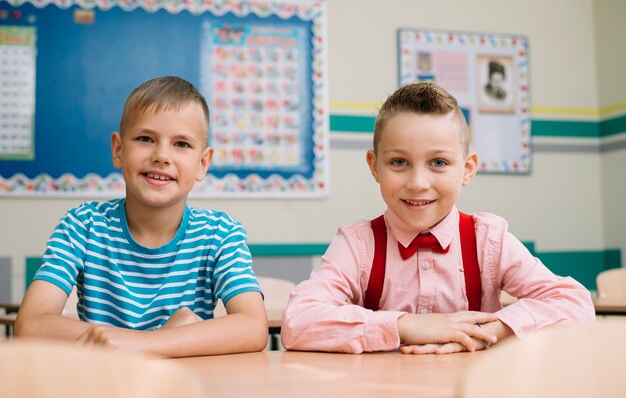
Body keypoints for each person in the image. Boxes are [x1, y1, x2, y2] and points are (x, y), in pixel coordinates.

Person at [281, 82, 595, 354]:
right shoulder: (358, 245)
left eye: (439, 162)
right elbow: (298, 320)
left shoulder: (489, 240)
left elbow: (575, 303)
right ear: (374, 165)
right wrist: (406, 326)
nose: (418, 182)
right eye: (399, 161)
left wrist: (485, 332)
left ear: (468, 169)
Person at [15, 76, 268, 357]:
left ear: (203, 163)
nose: (161, 155)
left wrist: (143, 344)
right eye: (145, 139)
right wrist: (165, 337)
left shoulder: (220, 233)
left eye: (181, 144)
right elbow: (30, 325)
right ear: (118, 149)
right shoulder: (82, 226)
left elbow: (253, 327)